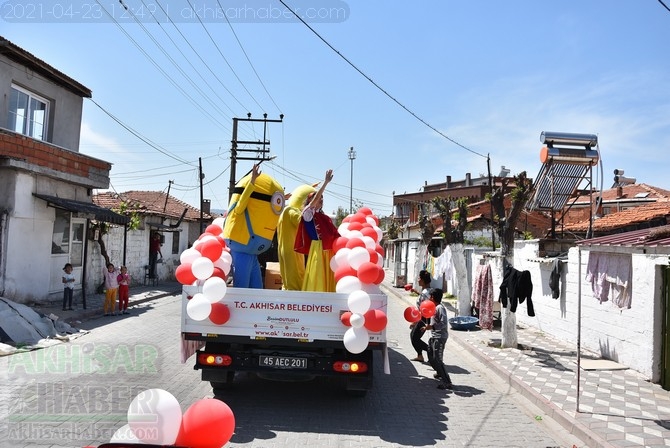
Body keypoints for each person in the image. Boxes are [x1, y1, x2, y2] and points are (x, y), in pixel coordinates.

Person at [294, 169, 340, 292]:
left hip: (328, 250)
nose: (321, 199)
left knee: (328, 278)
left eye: (322, 198)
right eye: (318, 198)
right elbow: (314, 202)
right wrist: (325, 183)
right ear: (310, 201)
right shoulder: (307, 213)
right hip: (318, 249)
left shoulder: (323, 216)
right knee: (318, 278)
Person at [277, 183, 317, 290]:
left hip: (287, 249)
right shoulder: (291, 211)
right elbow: (304, 221)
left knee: (289, 279)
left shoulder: (285, 210)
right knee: (295, 280)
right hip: (292, 251)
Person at [424, 288, 454, 390]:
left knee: (438, 359)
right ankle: (439, 372)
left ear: (432, 297)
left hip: (440, 337)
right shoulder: (434, 308)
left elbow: (443, 323)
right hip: (434, 336)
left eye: (429, 297)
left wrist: (432, 327)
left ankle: (447, 382)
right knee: (431, 356)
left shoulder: (440, 308)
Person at [409, 270, 432, 362]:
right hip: (426, 318)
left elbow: (423, 309)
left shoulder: (425, 293)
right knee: (414, 336)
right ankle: (420, 355)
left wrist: (415, 321)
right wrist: (417, 292)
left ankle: (430, 351)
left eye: (419, 278)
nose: (418, 280)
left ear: (422, 280)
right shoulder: (428, 291)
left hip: (424, 318)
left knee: (414, 338)